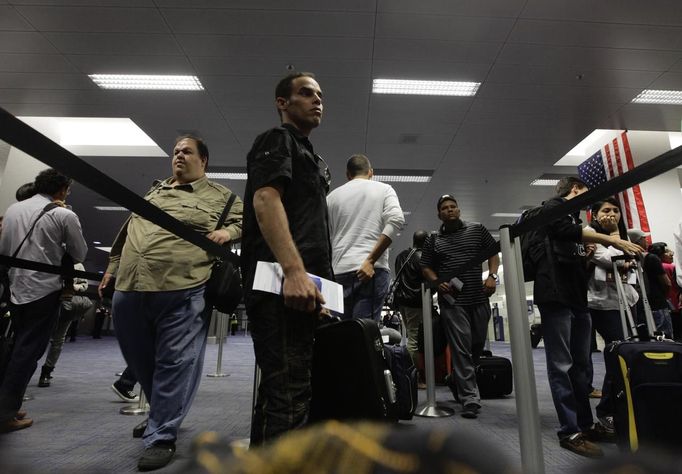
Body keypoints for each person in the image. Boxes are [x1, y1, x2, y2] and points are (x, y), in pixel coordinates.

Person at [98, 135, 243, 471]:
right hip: (131, 286)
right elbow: (126, 235)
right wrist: (112, 267)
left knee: (175, 361)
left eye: (186, 151)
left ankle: (161, 433)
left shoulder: (222, 197)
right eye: (175, 152)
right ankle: (163, 415)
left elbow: (250, 221)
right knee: (140, 359)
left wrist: (229, 233)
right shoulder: (154, 193)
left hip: (184, 286)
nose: (178, 155)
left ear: (203, 161)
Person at [240, 72, 332, 446]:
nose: (317, 100)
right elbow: (266, 200)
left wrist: (319, 289)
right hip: (280, 284)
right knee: (290, 394)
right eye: (306, 93)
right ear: (283, 103)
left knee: (285, 389)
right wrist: (294, 272)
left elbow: (311, 230)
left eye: (320, 95)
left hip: (305, 287)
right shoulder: (277, 140)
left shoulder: (312, 156)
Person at [532, 177, 642, 458]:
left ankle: (584, 424)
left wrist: (587, 253)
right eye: (585, 192)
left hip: (576, 298)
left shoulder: (572, 218)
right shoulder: (553, 207)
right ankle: (569, 431)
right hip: (555, 296)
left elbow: (573, 251)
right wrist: (609, 238)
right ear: (575, 191)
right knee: (561, 366)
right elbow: (568, 232)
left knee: (581, 367)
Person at [0, 169, 87, 433]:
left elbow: (4, 250)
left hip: (15, 289)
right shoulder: (64, 214)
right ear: (62, 189)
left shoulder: (14, 209)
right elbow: (79, 251)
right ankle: (6, 414)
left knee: (13, 348)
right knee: (28, 352)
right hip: (44, 291)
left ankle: (7, 404)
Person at [420, 194, 500, 419]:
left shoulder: (477, 230)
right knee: (461, 349)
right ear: (439, 214)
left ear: (459, 210)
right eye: (444, 208)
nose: (449, 210)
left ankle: (456, 378)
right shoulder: (433, 240)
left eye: (453, 206)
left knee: (476, 346)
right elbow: (425, 267)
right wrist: (437, 281)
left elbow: (494, 253)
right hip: (452, 303)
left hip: (479, 298)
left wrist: (492, 275)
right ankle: (470, 399)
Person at [584, 198, 638, 438]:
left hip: (629, 301)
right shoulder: (590, 236)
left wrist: (626, 254)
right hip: (602, 305)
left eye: (616, 211)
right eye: (606, 210)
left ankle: (623, 406)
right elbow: (610, 259)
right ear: (595, 215)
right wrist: (616, 236)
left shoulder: (624, 238)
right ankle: (606, 411)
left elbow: (632, 263)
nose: (612, 214)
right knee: (617, 355)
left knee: (630, 357)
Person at [327, 154, 404, 321]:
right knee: (363, 336)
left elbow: (324, 237)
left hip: (339, 272)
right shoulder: (384, 189)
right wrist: (370, 260)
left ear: (348, 175)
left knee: (339, 333)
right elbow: (396, 220)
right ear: (371, 172)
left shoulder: (331, 198)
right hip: (371, 271)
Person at [38, 262, 92, 387]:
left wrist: (74, 287)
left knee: (58, 340)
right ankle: (25, 368)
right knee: (37, 337)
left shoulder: (78, 265)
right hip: (45, 303)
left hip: (66, 305)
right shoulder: (51, 258)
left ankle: (47, 370)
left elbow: (84, 284)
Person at [393, 230, 428, 369]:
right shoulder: (422, 257)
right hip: (416, 302)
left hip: (402, 302)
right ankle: (413, 375)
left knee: (410, 336)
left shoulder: (401, 256)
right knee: (414, 339)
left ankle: (411, 371)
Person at [644, 242, 673, 338]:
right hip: (658, 300)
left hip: (649, 298)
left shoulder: (647, 258)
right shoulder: (654, 259)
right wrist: (665, 295)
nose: (670, 254)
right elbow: (667, 283)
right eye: (666, 251)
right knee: (665, 333)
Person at [662, 246, 682, 340]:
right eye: (667, 251)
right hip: (675, 299)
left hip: (666, 302)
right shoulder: (671, 266)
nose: (671, 253)